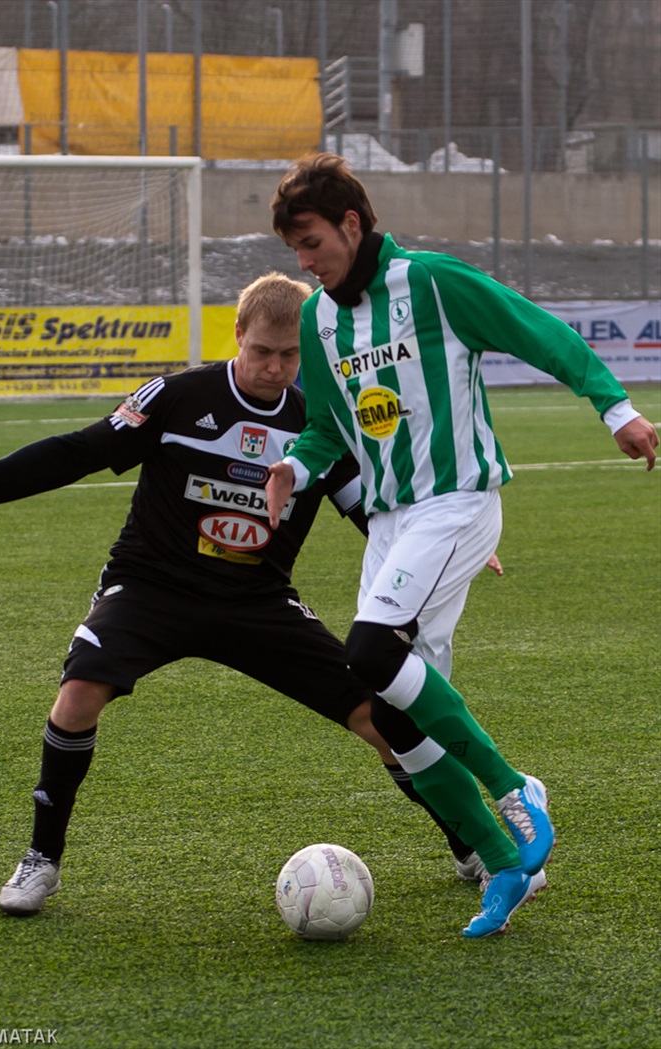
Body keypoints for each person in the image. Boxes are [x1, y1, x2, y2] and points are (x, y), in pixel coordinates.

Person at [0, 272, 500, 925]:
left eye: (290, 356)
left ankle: (465, 841)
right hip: (153, 587)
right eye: (262, 351)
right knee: (78, 694)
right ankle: (41, 857)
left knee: (380, 717)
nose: (274, 367)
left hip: (259, 600)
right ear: (238, 335)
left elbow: (373, 510)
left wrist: (452, 538)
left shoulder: (321, 424)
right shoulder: (178, 396)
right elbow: (76, 452)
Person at [266, 152, 658, 937]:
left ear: (351, 223)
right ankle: (507, 863)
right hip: (389, 523)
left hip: (456, 503)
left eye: (311, 243)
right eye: (294, 251)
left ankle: (517, 790)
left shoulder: (432, 283)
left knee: (369, 651)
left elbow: (534, 330)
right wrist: (292, 468)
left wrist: (615, 410)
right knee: (391, 713)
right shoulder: (318, 319)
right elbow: (322, 429)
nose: (303, 264)